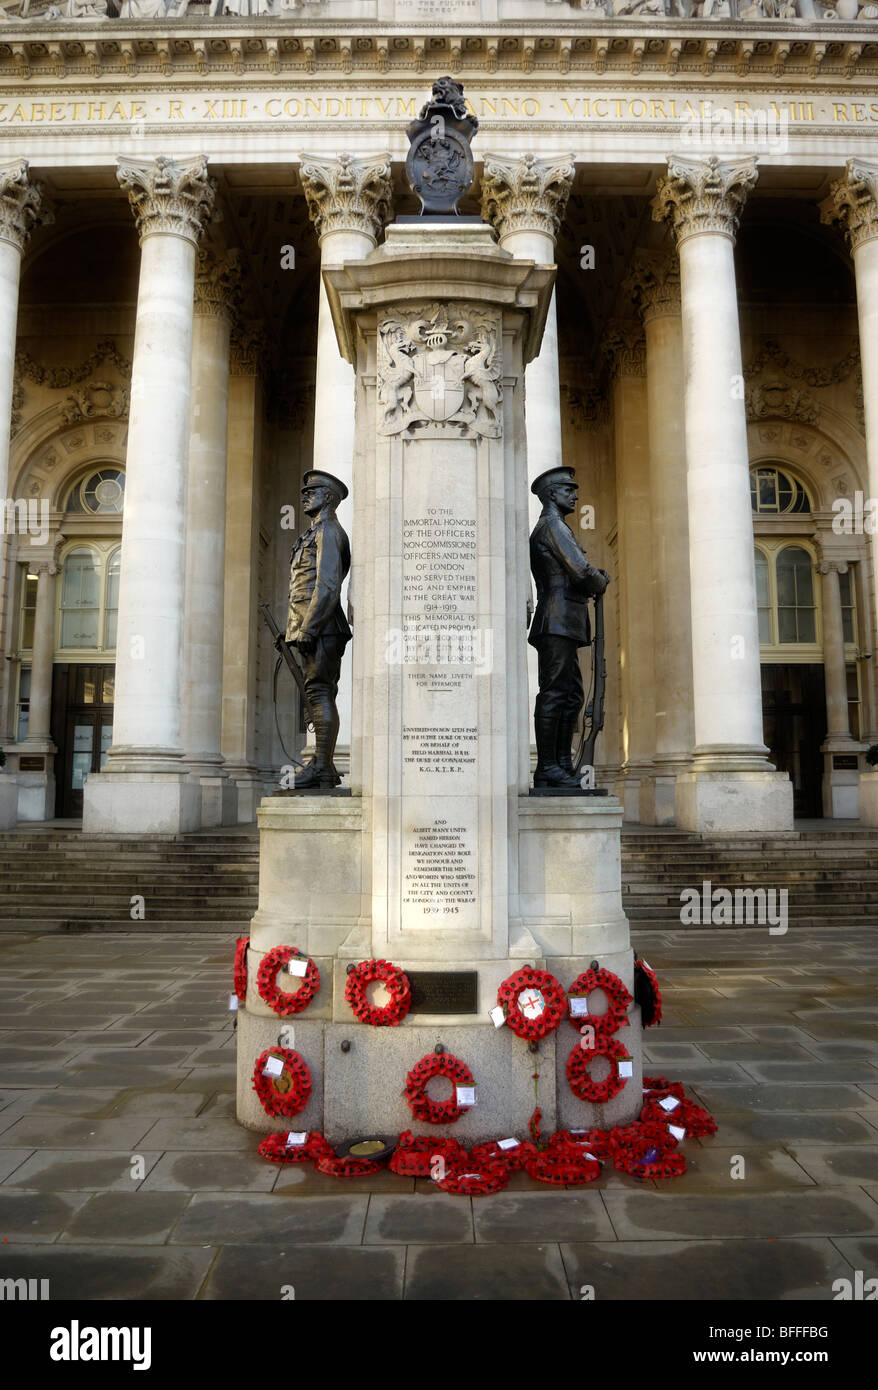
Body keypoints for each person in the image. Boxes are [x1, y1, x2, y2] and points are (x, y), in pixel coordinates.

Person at [528, 466, 610, 789]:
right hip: (556, 620)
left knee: (571, 694)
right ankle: (548, 765)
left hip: (565, 621)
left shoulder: (557, 526)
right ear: (551, 494)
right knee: (556, 692)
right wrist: (599, 579)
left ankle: (561, 762)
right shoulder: (553, 527)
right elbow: (580, 570)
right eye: (568, 490)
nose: (575, 495)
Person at [283, 470, 352, 789]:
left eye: (313, 491)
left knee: (319, 692)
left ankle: (321, 766)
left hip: (322, 626)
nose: (305, 495)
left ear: (329, 498)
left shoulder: (329, 531)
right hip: (313, 625)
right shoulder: (315, 532)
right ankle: (323, 766)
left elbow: (327, 585)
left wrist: (309, 627)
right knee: (317, 692)